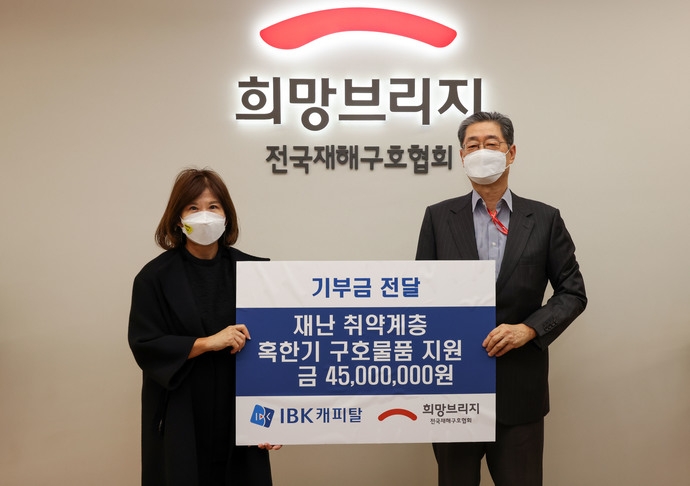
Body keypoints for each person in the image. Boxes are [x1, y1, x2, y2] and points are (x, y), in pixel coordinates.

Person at [415, 112, 587, 486]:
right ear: (462, 156)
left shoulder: (544, 219)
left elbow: (573, 292)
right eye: (472, 145)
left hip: (519, 389)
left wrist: (530, 329)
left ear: (511, 153)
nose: (481, 151)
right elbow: (423, 297)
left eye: (491, 143)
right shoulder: (438, 218)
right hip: (453, 388)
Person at [128, 168, 280, 486]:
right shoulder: (154, 277)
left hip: (240, 409)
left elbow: (276, 351)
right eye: (193, 208)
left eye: (213, 206)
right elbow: (146, 344)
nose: (205, 216)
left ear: (227, 215)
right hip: (182, 410)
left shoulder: (256, 272)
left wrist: (275, 419)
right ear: (177, 218)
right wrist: (208, 342)